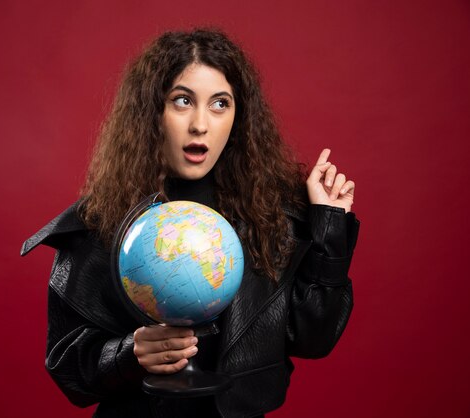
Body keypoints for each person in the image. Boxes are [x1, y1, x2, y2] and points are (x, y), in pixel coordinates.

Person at [21, 29, 359, 418]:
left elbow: (314, 340)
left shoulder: (272, 214)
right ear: (152, 112)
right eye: (182, 101)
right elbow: (68, 367)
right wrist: (129, 353)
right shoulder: (101, 219)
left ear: (238, 117)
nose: (200, 124)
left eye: (220, 104)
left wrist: (327, 226)